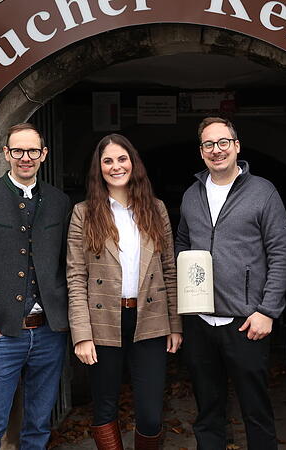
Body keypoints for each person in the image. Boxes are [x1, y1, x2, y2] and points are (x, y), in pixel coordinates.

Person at [0, 123, 72, 449]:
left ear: (44, 154)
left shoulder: (61, 203)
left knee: (38, 426)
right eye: (17, 151)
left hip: (49, 333)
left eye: (33, 151)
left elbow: (69, 264)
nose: (25, 158)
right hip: (0, 331)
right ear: (6, 153)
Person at [176, 117, 286, 449]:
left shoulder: (262, 191)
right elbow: (182, 241)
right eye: (209, 145)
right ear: (201, 152)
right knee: (207, 410)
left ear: (237, 146)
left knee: (255, 409)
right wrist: (189, 284)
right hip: (200, 321)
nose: (217, 150)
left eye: (223, 142)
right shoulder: (191, 195)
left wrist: (268, 310)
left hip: (246, 321)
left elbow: (281, 253)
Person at [66, 134, 182, 450]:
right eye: (108, 161)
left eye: (122, 159)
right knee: (104, 407)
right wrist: (82, 334)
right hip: (103, 322)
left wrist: (175, 324)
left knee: (150, 412)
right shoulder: (84, 212)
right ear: (98, 168)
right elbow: (76, 276)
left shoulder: (155, 210)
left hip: (151, 319)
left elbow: (169, 270)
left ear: (133, 163)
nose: (116, 166)